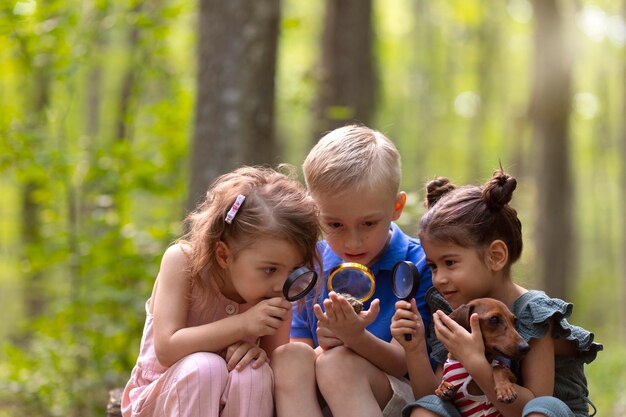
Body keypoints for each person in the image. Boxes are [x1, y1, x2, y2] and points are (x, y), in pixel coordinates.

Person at [391, 169, 603, 417]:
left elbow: (533, 405)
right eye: (433, 266)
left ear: (495, 256)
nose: (438, 278)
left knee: (544, 408)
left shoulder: (533, 312)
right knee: (424, 410)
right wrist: (414, 349)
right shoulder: (457, 315)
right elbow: (436, 395)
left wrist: (474, 362)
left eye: (449, 263)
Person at [121, 165, 321, 417]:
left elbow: (274, 366)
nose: (281, 285)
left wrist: (258, 354)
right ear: (224, 255)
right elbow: (167, 348)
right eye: (270, 270)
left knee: (253, 373)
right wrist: (243, 324)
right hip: (158, 399)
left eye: (293, 270)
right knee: (206, 368)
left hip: (229, 402)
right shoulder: (183, 263)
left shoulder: (278, 296)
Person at [271, 125, 434, 417]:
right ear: (314, 212)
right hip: (324, 393)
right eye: (335, 224)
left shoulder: (418, 264)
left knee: (338, 364)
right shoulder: (311, 266)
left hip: (397, 396)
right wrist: (326, 344)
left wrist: (354, 338)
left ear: (397, 207)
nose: (353, 241)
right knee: (287, 357)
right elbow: (301, 353)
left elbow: (403, 363)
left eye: (369, 223)